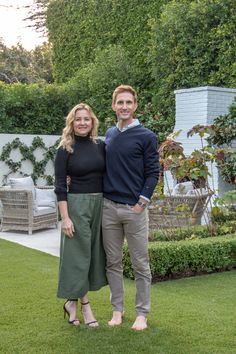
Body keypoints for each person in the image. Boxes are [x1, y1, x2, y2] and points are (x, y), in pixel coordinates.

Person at [102, 85, 159, 331]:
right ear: (114, 105)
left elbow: (153, 172)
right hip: (109, 208)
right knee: (113, 263)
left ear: (135, 105)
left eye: (128, 102)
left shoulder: (147, 136)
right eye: (120, 102)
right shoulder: (110, 134)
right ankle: (117, 310)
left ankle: (142, 314)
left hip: (134, 209)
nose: (124, 107)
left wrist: (141, 203)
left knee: (140, 264)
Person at [54, 103, 107, 327]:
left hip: (99, 204)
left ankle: (70, 303)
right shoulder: (65, 149)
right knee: (78, 257)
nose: (83, 122)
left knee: (93, 254)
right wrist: (65, 218)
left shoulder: (100, 146)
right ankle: (85, 306)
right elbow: (59, 186)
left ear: (92, 121)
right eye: (78, 119)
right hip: (76, 205)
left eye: (86, 118)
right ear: (71, 123)